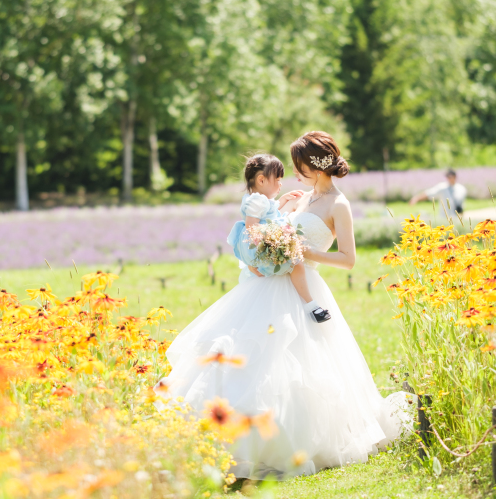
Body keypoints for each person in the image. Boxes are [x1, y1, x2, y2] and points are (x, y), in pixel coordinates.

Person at [156, 131, 412, 480]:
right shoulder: (302, 197)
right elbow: (273, 226)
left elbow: (348, 259)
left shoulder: (339, 205)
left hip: (305, 289)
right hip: (269, 288)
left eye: (299, 166)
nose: (294, 173)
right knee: (248, 359)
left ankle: (287, 440)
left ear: (315, 165)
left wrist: (304, 253)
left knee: (298, 369)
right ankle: (221, 435)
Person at [226, 154, 330, 322]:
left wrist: (282, 200)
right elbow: (252, 226)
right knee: (297, 265)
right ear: (261, 180)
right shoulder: (257, 201)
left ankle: (310, 305)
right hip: (260, 245)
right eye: (278, 179)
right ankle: (311, 305)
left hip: (258, 245)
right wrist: (277, 237)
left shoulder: (258, 200)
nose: (281, 184)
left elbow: (268, 213)